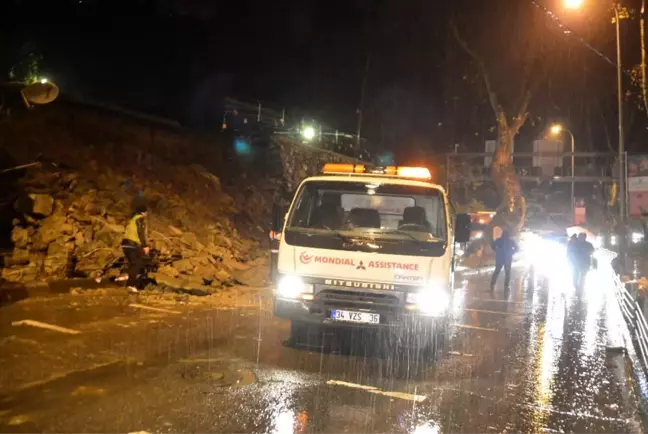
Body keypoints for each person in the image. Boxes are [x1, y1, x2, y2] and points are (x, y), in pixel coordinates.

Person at [121, 204, 150, 293]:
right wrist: (145, 246)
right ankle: (130, 284)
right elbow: (140, 232)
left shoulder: (132, 220)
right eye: (146, 211)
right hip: (132, 244)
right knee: (137, 264)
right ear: (143, 212)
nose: (147, 213)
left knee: (133, 264)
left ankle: (125, 278)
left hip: (125, 243)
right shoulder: (140, 219)